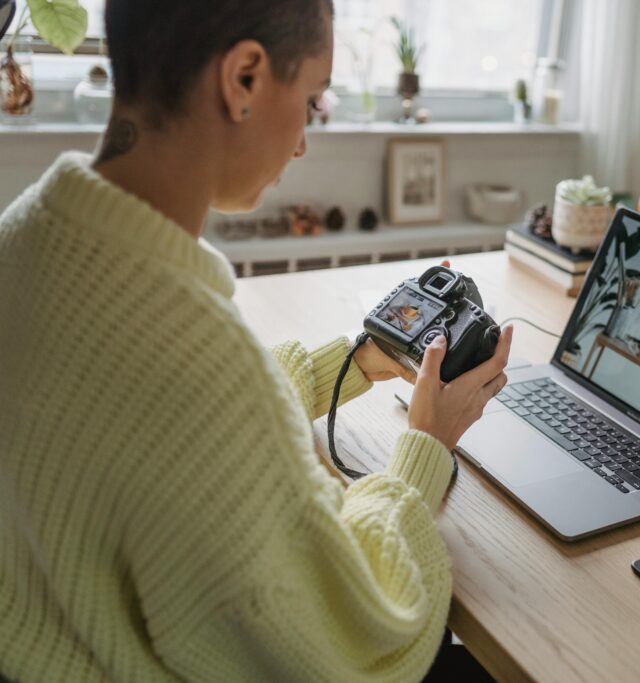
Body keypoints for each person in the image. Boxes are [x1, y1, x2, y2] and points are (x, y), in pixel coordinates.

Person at [0, 1, 512, 681]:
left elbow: (159, 412)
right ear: (243, 77)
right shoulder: (197, 367)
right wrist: (426, 446)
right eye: (309, 98)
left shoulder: (26, 238)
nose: (303, 140)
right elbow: (360, 635)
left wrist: (353, 363)